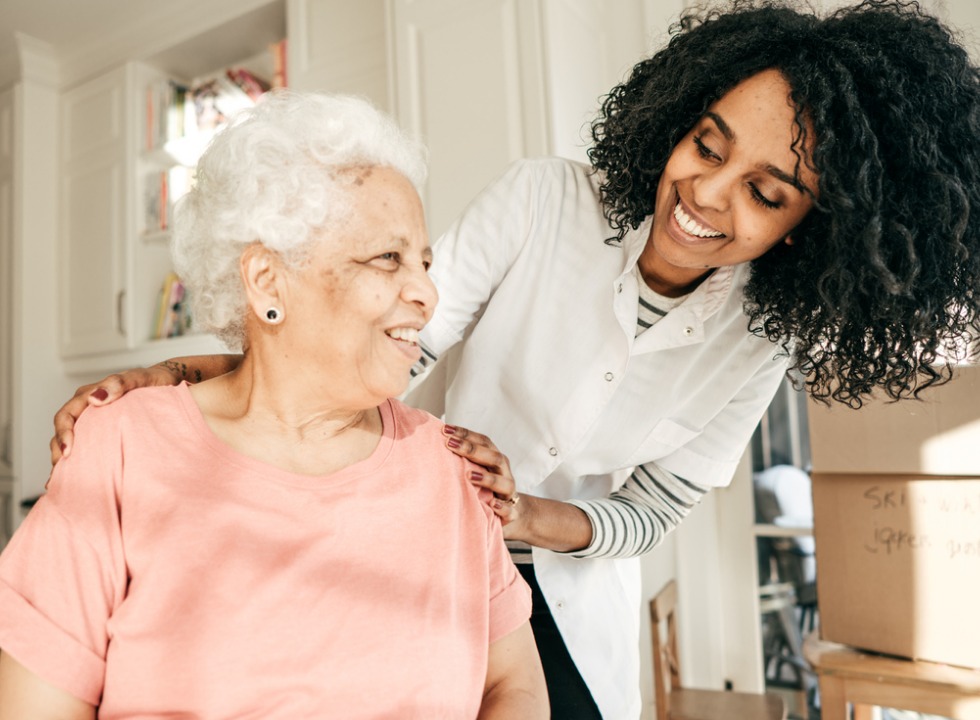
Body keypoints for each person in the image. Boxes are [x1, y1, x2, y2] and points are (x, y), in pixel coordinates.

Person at [49, 1, 980, 717]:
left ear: (807, 231)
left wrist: (528, 512)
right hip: (420, 544)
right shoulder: (543, 205)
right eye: (706, 144)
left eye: (765, 192)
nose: (704, 192)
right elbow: (381, 341)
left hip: (567, 589)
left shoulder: (757, 343)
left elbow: (655, 509)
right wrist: (180, 381)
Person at [0, 91, 548, 719]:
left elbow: (515, 687)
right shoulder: (119, 448)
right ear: (266, 281)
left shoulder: (454, 468)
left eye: (423, 263)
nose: (427, 292)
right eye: (388, 258)